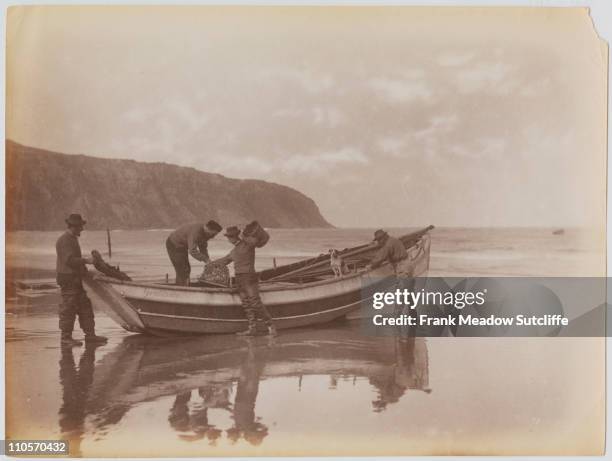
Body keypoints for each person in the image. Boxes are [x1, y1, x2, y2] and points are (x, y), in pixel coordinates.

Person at [211, 226, 276, 336]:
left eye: (229, 237)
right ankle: (252, 329)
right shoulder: (235, 250)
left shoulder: (248, 245)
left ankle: (271, 326)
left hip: (249, 278)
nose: (228, 240)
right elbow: (225, 260)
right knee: (247, 304)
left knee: (255, 303)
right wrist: (212, 264)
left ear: (233, 237)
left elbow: (259, 240)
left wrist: (243, 236)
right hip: (240, 279)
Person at [56, 214, 108, 347]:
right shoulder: (64, 240)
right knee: (68, 309)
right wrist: (86, 260)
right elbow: (69, 261)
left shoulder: (71, 239)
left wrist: (87, 272)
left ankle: (90, 336)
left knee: (85, 307)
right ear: (73, 226)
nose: (82, 229)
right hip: (68, 279)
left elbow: (74, 261)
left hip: (75, 279)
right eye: (80, 227)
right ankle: (65, 338)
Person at [166, 220, 222, 285]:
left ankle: (183, 285)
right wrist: (205, 259)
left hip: (182, 246)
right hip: (173, 244)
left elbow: (203, 248)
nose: (213, 237)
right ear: (208, 229)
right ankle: (182, 287)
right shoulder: (196, 232)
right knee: (183, 269)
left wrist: (208, 260)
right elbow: (192, 251)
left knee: (186, 268)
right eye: (213, 234)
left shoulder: (206, 233)